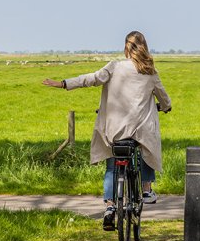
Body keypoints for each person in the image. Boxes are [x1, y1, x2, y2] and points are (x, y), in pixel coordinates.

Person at [42, 30, 171, 230]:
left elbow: (91, 79)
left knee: (112, 167)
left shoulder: (114, 66)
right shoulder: (150, 71)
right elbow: (163, 97)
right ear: (144, 47)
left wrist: (63, 84)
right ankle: (146, 189)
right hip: (139, 129)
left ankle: (110, 207)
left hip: (115, 130)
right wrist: (165, 106)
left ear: (126, 47)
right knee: (147, 147)